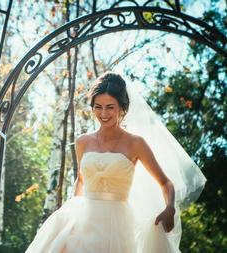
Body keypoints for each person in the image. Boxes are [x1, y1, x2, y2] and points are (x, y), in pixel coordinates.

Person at [25, 72, 206, 253]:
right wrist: (72, 214)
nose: (103, 114)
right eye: (98, 107)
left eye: (110, 107)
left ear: (122, 108)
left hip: (118, 224)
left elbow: (165, 183)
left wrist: (170, 208)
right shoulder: (82, 142)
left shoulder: (136, 143)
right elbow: (81, 180)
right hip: (84, 219)